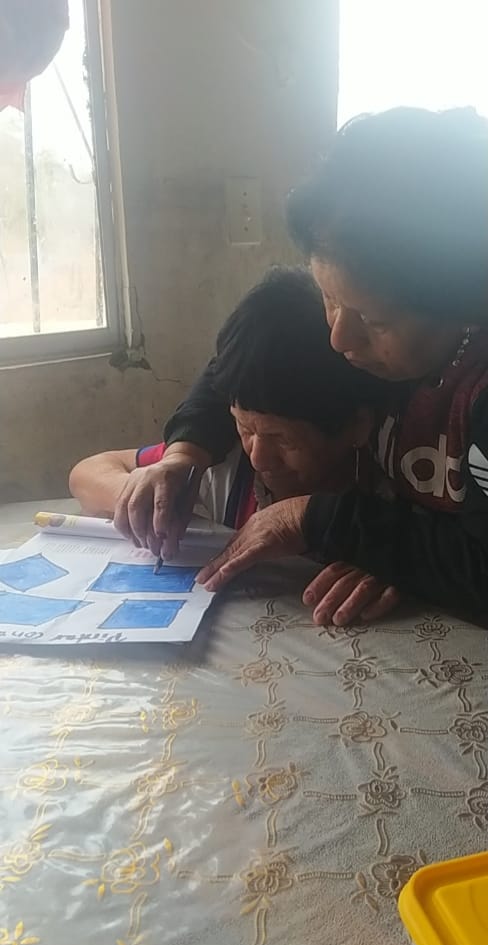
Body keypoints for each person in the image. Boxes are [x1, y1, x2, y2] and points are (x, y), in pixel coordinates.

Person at [195, 107, 488, 625]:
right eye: (329, 299)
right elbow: (250, 368)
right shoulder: (368, 326)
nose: (338, 337)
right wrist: (184, 450)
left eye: (374, 320)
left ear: (463, 306)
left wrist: (316, 518)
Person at [70, 267, 398, 623]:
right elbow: (87, 473)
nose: (258, 457)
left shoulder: (396, 496)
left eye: (283, 439)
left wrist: (395, 564)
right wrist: (143, 498)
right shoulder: (221, 469)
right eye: (245, 427)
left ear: (357, 426)